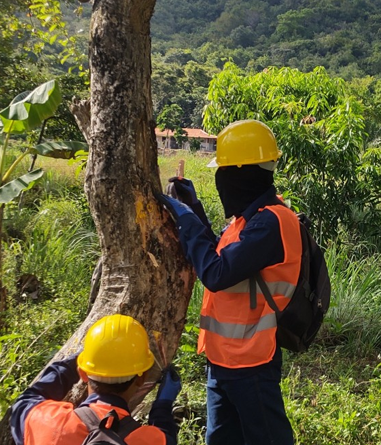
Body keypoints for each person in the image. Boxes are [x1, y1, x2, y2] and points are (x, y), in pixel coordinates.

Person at [157, 119, 298, 445]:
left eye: (225, 172)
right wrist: (193, 207)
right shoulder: (248, 220)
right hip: (223, 360)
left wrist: (186, 218)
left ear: (243, 173)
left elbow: (217, 273)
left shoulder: (272, 222)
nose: (221, 181)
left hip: (252, 362)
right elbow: (220, 255)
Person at [10, 314, 181, 445]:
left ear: (82, 373)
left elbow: (24, 402)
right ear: (141, 378)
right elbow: (167, 438)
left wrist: (69, 366)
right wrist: (163, 406)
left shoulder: (48, 422)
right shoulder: (148, 440)